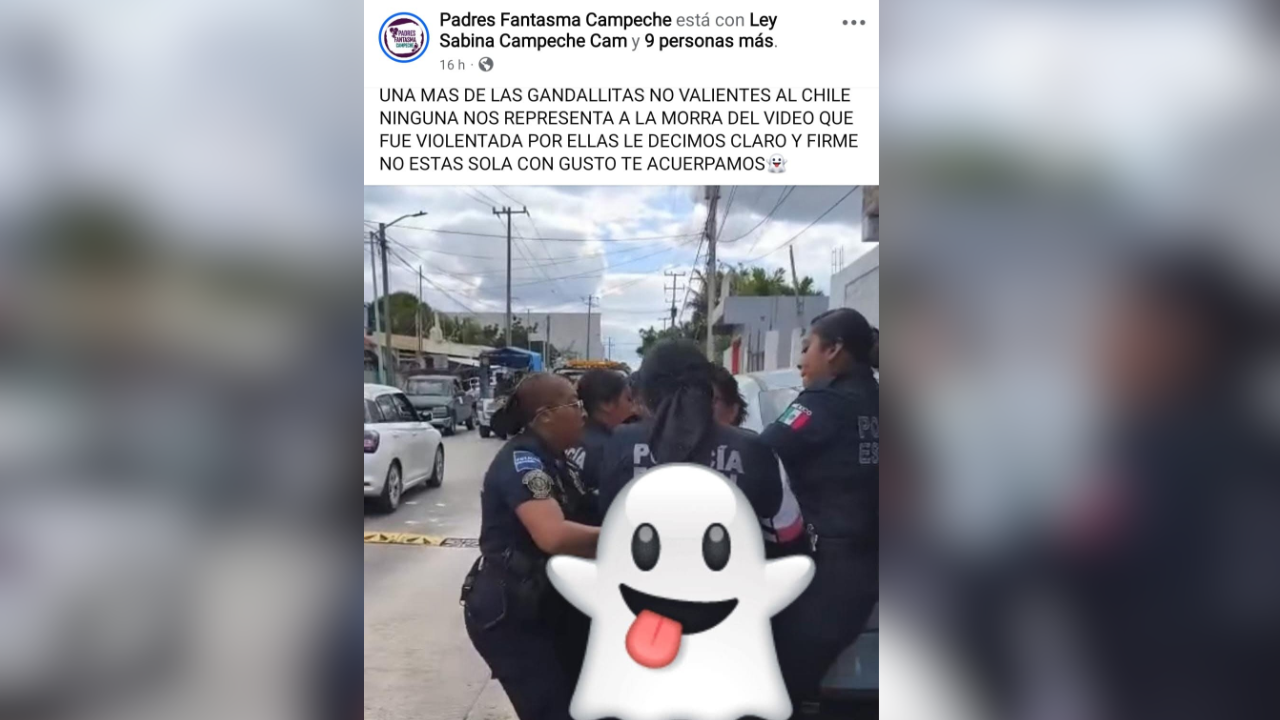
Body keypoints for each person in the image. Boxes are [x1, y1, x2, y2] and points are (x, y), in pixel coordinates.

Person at [460, 373, 599, 720]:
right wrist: (622, 536)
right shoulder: (523, 462)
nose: (583, 412)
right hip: (511, 612)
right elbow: (552, 535)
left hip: (542, 604)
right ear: (545, 416)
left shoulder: (559, 459)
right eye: (574, 404)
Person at [763, 308, 880, 712]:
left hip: (829, 572)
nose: (801, 361)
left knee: (775, 688)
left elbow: (758, 455)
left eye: (806, 348)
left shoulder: (823, 403)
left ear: (833, 350)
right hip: (872, 566)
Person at [597, 340, 805, 548]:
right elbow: (787, 536)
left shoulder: (621, 442)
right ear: (708, 388)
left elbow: (608, 525)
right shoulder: (753, 449)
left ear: (646, 394)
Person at [569, 369, 635, 518]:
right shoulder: (610, 449)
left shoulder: (571, 438)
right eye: (628, 399)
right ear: (606, 404)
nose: (634, 408)